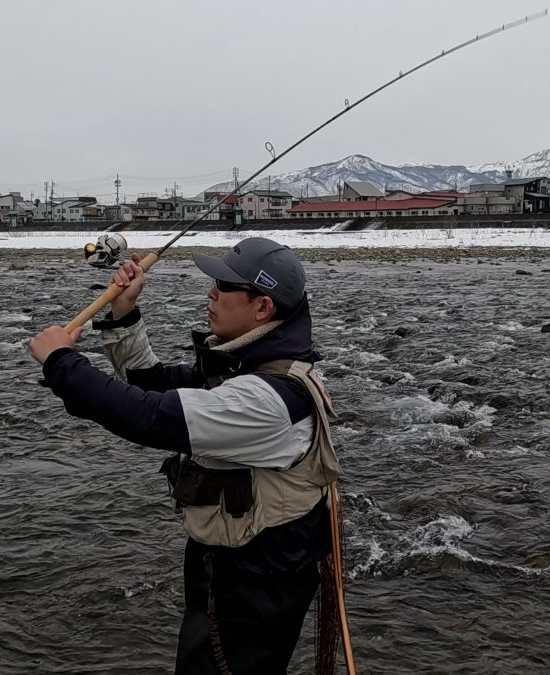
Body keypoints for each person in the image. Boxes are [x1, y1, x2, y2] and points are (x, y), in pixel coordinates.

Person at [29, 237, 342, 674]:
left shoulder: (264, 399)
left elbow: (149, 417)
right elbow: (149, 383)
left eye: (223, 286)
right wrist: (124, 310)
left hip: (254, 584)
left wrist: (61, 362)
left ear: (263, 309)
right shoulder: (242, 365)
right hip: (235, 570)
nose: (210, 293)